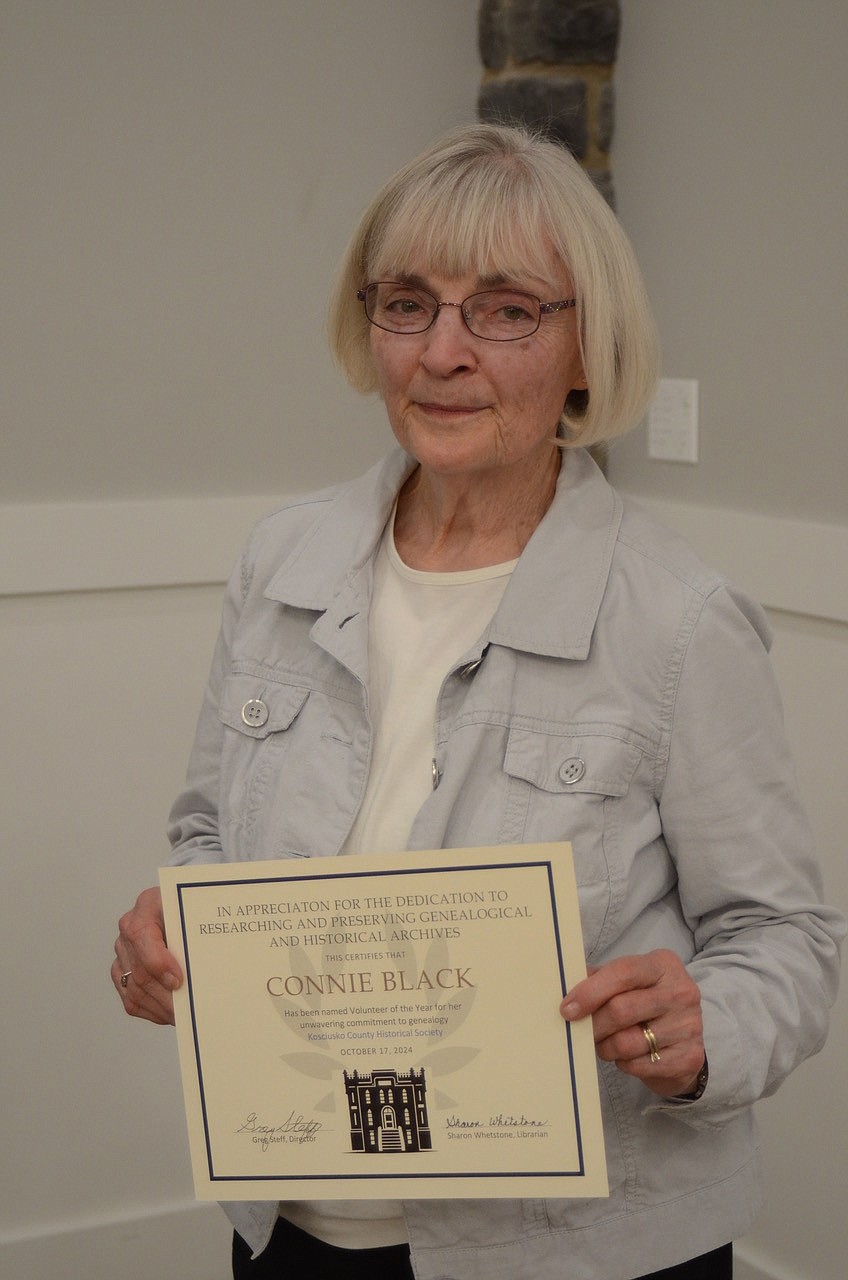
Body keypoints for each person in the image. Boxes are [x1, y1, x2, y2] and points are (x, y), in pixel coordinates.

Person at [113, 123, 843, 1280]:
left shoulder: (677, 619)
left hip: (577, 1252)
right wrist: (174, 926)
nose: (441, 351)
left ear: (585, 350)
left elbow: (783, 942)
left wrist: (705, 1026)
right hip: (292, 1223)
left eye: (503, 309)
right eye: (408, 303)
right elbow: (205, 830)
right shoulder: (281, 561)